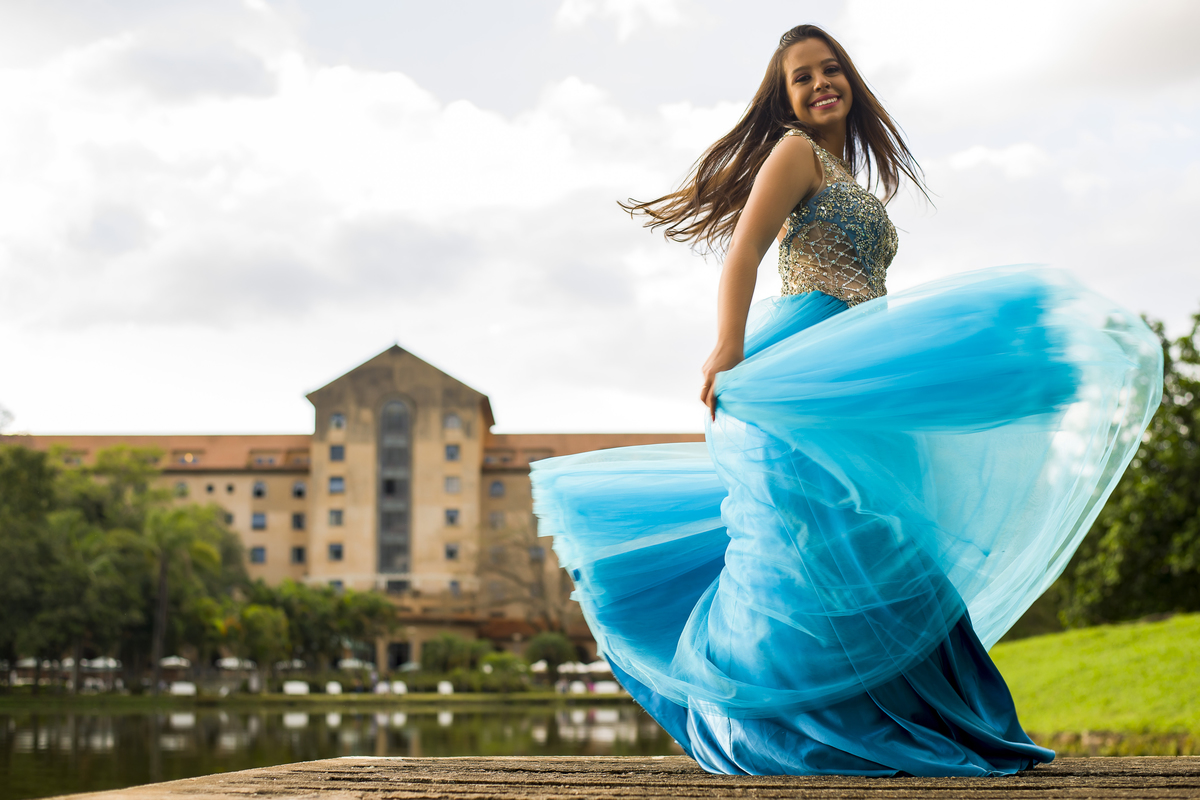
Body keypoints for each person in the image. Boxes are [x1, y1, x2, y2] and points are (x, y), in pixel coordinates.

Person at [530, 24, 1162, 777]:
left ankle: (897, 715)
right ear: (785, 97)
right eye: (802, 76)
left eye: (832, 70)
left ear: (852, 83)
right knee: (815, 549)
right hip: (803, 363)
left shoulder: (850, 176)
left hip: (857, 374)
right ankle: (798, 728)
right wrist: (729, 345)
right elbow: (744, 251)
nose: (821, 82)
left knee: (876, 544)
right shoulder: (794, 152)